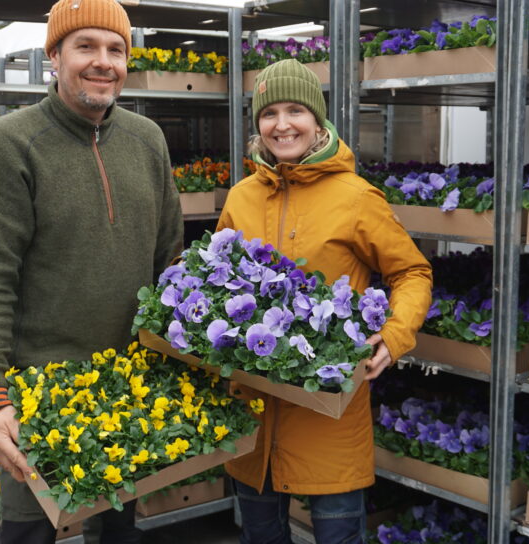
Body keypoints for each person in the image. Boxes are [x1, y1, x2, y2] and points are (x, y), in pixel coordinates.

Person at [0, 0, 184, 542]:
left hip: (129, 389)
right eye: (85, 46)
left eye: (116, 49)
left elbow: (171, 260)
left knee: (118, 530)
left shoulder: (147, 140)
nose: (102, 62)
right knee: (28, 531)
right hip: (40, 394)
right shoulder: (11, 143)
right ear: (54, 57)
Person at [216, 59, 433, 544]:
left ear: (318, 121)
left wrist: (394, 335)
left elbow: (412, 271)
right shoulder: (241, 197)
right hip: (253, 414)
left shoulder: (355, 197)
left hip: (328, 412)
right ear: (258, 125)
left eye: (295, 110)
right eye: (269, 113)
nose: (282, 124)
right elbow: (216, 281)